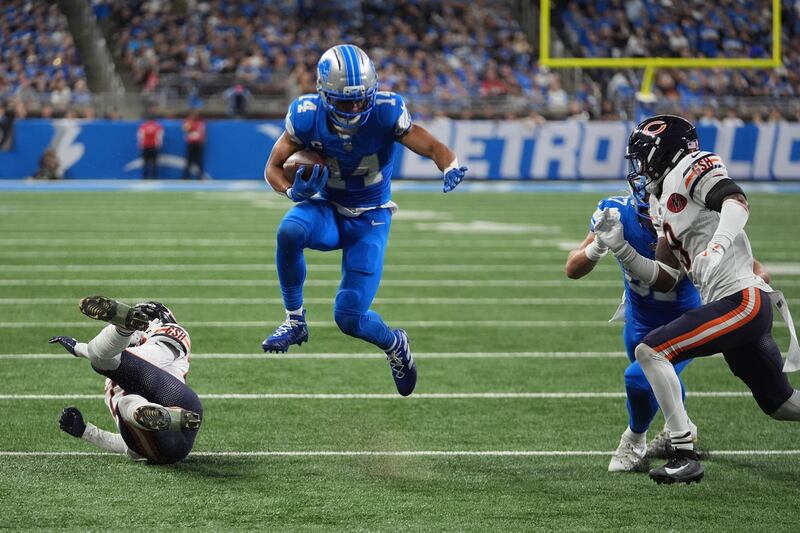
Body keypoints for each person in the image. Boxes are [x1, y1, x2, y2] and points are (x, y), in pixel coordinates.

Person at [594, 115, 800, 484]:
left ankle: (683, 453)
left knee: (652, 351)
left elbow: (735, 201)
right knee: (781, 404)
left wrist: (718, 246)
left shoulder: (691, 165)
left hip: (742, 299)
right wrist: (622, 250)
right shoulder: (660, 203)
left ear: (666, 152)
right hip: (732, 305)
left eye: (644, 157)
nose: (640, 167)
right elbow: (665, 276)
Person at [261, 44, 468, 397]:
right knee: (290, 230)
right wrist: (292, 193)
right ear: (324, 94)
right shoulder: (306, 115)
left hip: (370, 217)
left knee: (349, 317)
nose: (355, 107)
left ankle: (394, 344)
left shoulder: (387, 112)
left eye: (361, 100)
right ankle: (294, 319)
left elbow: (432, 145)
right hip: (328, 207)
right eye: (345, 101)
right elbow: (272, 168)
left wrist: (449, 165)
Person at [565, 187, 702, 472]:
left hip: (682, 325)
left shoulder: (696, 217)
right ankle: (681, 427)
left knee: (638, 380)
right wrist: (598, 246)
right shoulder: (618, 212)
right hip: (638, 321)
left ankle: (634, 440)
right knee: (656, 381)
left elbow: (753, 267)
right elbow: (572, 268)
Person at [49, 296, 202, 464]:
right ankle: (165, 417)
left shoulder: (168, 330)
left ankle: (122, 329)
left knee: (107, 370)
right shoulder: (113, 379)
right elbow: (127, 443)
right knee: (126, 402)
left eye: (142, 319)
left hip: (173, 398)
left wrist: (80, 349)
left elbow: (152, 359)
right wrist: (86, 432)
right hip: (169, 446)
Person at [182, 109, 206, 179]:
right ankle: (186, 177)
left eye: (196, 114)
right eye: (193, 114)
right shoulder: (188, 121)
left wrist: (202, 140)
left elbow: (202, 132)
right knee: (189, 160)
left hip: (198, 143)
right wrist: (190, 124)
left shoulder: (201, 122)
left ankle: (200, 176)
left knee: (199, 160)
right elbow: (185, 129)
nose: (194, 115)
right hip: (191, 143)